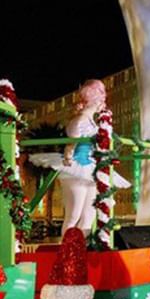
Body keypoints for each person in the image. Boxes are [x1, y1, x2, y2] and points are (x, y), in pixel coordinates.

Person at [29, 79, 129, 236]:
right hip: (77, 168)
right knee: (73, 215)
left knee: (88, 215)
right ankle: (66, 252)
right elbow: (71, 144)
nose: (103, 103)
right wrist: (69, 156)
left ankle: (81, 250)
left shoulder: (92, 122)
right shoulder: (80, 120)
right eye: (101, 100)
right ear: (95, 101)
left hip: (89, 168)